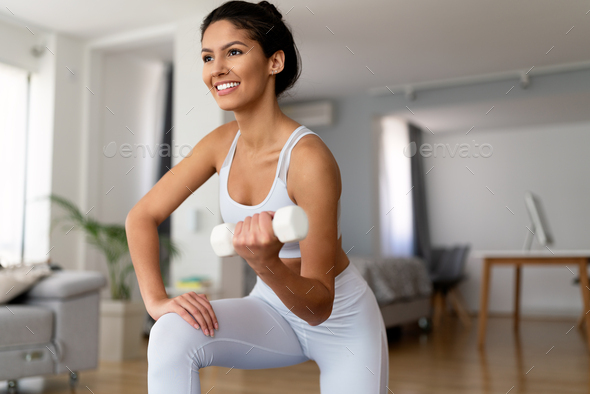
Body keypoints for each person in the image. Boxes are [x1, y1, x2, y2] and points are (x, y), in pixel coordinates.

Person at [125, 1, 389, 393]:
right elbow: (141, 216)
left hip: (340, 322)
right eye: (207, 56)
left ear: (274, 62)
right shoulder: (218, 144)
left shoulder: (308, 159)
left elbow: (318, 306)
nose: (217, 69)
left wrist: (266, 263)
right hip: (271, 309)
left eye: (234, 51)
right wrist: (157, 302)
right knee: (171, 332)